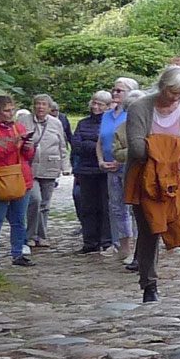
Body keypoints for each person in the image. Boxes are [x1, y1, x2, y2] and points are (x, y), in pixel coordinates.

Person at [123, 64, 180, 303]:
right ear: (162, 87)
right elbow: (136, 147)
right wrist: (174, 145)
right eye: (172, 92)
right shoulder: (140, 107)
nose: (176, 98)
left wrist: (156, 144)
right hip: (146, 179)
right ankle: (149, 285)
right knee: (149, 231)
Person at [0, 95, 36, 267]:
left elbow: (27, 156)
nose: (10, 113)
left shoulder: (18, 127)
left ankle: (18, 253)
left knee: (19, 219)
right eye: (6, 110)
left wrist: (28, 148)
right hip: (0, 179)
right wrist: (13, 144)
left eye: (12, 109)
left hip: (21, 178)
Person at [98, 77, 138, 265]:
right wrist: (101, 161)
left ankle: (138, 248)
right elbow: (101, 140)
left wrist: (120, 161)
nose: (114, 93)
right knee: (116, 208)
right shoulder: (107, 115)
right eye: (114, 90)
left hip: (129, 167)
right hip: (110, 168)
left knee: (132, 207)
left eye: (119, 91)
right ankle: (123, 247)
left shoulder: (134, 114)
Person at [70, 90, 112, 253]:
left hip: (103, 170)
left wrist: (94, 145)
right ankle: (90, 242)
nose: (95, 107)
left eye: (100, 104)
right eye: (94, 103)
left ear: (107, 106)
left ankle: (106, 240)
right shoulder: (83, 123)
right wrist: (95, 145)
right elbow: (77, 144)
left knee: (105, 206)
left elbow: (108, 144)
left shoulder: (108, 123)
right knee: (87, 207)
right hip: (86, 170)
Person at [26, 95, 69, 248]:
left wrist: (65, 166)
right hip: (30, 168)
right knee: (34, 200)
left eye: (43, 104)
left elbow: (62, 145)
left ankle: (41, 236)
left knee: (45, 204)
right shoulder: (25, 121)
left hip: (50, 166)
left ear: (49, 108)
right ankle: (30, 235)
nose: (40, 107)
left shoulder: (56, 123)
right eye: (37, 104)